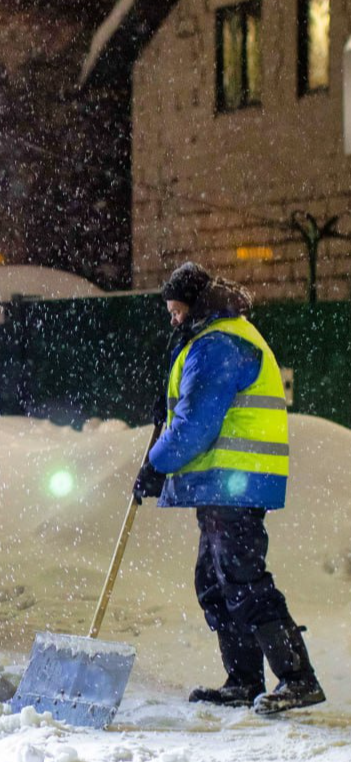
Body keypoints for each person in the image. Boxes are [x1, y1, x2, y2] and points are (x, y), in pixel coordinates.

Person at [132, 262, 325, 715]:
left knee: (242, 578)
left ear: (197, 305)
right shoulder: (211, 337)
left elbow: (196, 422)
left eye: (178, 311)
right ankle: (243, 680)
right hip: (222, 482)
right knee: (216, 580)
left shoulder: (220, 342)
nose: (174, 320)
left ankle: (299, 678)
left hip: (236, 479)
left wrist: (156, 465)